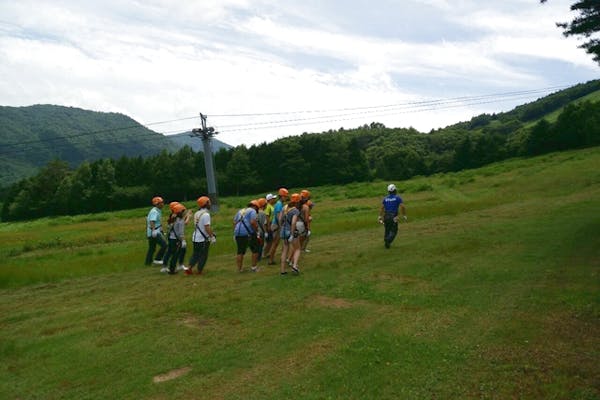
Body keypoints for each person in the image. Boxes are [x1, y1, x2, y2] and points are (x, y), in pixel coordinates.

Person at [185, 196, 216, 275]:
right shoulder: (206, 215)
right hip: (203, 239)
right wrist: (212, 237)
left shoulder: (197, 213)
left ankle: (189, 268)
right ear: (206, 204)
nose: (210, 204)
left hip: (195, 237)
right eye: (209, 202)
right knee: (203, 255)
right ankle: (199, 271)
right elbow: (207, 227)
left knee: (195, 254)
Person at [233, 200, 260, 272]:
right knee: (255, 249)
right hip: (248, 233)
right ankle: (254, 267)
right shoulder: (252, 211)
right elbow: (252, 222)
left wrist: (235, 232)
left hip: (238, 232)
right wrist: (256, 230)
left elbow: (234, 222)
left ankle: (239, 269)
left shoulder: (241, 211)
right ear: (255, 206)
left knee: (240, 251)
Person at [378, 184, 407, 249]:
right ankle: (388, 240)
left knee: (387, 229)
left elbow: (382, 208)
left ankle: (386, 243)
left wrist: (380, 216)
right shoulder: (398, 198)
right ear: (395, 190)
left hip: (386, 216)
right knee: (394, 230)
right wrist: (404, 215)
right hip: (393, 216)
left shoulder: (385, 199)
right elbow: (402, 206)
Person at [280, 193, 302, 275]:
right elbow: (293, 223)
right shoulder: (295, 210)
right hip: (290, 231)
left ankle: (282, 270)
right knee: (297, 249)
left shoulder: (284, 207)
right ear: (297, 202)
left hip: (283, 230)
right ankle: (294, 266)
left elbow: (280, 219)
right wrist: (292, 234)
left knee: (285, 250)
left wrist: (281, 228)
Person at [163, 202, 188, 274]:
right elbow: (181, 233)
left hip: (171, 239)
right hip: (176, 240)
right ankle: (172, 270)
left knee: (172, 253)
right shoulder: (180, 221)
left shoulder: (173, 219)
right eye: (183, 211)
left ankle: (170, 268)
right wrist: (183, 241)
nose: (184, 212)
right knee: (175, 255)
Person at [267, 188, 289, 265]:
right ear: (282, 196)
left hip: (276, 225)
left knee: (275, 243)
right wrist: (281, 226)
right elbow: (278, 217)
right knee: (275, 243)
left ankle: (271, 258)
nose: (286, 198)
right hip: (277, 226)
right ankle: (271, 260)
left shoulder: (278, 204)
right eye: (285, 196)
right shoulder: (279, 204)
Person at [145, 196, 167, 266]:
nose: (162, 204)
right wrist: (154, 231)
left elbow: (158, 223)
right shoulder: (154, 211)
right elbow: (152, 221)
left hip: (153, 231)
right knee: (164, 245)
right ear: (157, 204)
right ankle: (158, 259)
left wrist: (162, 231)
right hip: (153, 232)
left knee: (152, 248)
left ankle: (148, 263)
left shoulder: (158, 210)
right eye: (161, 203)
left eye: (162, 202)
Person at [262, 193, 277, 258]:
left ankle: (266, 252)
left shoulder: (270, 206)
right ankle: (264, 254)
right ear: (270, 199)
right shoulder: (268, 207)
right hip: (269, 225)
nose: (274, 200)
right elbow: (267, 216)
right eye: (273, 199)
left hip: (270, 224)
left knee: (270, 240)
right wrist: (268, 226)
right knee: (269, 241)